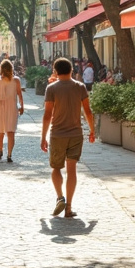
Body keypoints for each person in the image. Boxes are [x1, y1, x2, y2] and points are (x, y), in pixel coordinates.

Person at [40, 58, 94, 218]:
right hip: (76, 134)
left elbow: (47, 114)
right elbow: (88, 111)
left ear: (55, 71)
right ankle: (69, 207)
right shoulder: (80, 87)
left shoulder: (51, 88)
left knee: (56, 168)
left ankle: (59, 197)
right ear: (72, 70)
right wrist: (92, 130)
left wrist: (43, 137)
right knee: (72, 170)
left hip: (57, 134)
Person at [0, 59, 25, 161]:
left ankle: (0, 150)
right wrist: (22, 106)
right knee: (11, 132)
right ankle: (9, 154)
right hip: (12, 107)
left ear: (1, 68)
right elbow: (20, 95)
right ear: (11, 68)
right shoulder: (16, 80)